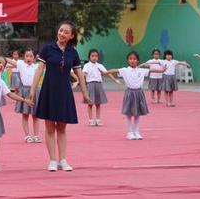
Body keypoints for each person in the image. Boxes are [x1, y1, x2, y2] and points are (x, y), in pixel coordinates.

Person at [29, 21, 91, 172]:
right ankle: (52, 160)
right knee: (50, 128)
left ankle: (63, 159)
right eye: (61, 30)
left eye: (66, 32)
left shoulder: (73, 53)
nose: (62, 33)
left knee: (62, 129)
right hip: (49, 91)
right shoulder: (47, 49)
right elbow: (39, 70)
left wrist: (85, 93)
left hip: (65, 93)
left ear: (71, 36)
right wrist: (32, 90)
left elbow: (80, 75)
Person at [104, 51, 165, 140]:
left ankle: (136, 132)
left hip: (139, 93)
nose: (132, 60)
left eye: (134, 59)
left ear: (138, 61)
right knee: (129, 114)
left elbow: (152, 70)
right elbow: (115, 70)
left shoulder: (142, 70)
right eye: (130, 59)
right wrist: (105, 72)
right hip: (129, 93)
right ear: (128, 60)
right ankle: (129, 133)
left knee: (137, 114)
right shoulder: (125, 70)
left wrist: (162, 70)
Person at [7, 49, 42, 142]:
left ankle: (36, 135)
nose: (28, 58)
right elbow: (9, 61)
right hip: (24, 91)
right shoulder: (20, 64)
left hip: (35, 90)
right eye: (26, 56)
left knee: (36, 115)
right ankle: (27, 136)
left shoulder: (37, 66)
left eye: (31, 56)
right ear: (23, 57)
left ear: (35, 58)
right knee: (25, 115)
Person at [82, 49, 121, 126]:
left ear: (98, 57)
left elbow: (107, 73)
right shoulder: (86, 66)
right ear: (89, 57)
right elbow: (83, 74)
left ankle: (98, 119)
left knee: (98, 103)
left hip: (98, 85)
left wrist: (115, 80)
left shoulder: (100, 66)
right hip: (90, 85)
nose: (94, 57)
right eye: (92, 56)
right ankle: (91, 120)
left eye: (96, 56)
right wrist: (78, 81)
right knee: (90, 103)